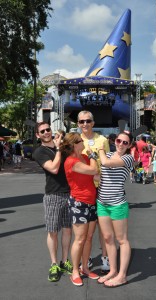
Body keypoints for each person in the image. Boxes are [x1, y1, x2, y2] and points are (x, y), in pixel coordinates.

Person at [32, 122, 72, 282]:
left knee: (68, 230)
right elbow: (54, 169)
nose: (47, 132)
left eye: (48, 129)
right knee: (53, 231)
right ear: (38, 135)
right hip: (53, 195)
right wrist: (57, 149)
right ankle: (54, 263)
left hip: (69, 193)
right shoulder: (39, 152)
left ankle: (64, 261)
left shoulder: (61, 148)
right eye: (43, 131)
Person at [60, 132, 99, 286]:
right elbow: (93, 171)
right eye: (81, 140)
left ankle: (85, 268)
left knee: (89, 237)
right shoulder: (71, 161)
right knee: (80, 238)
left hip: (91, 201)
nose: (84, 142)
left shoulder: (84, 158)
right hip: (79, 203)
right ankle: (75, 271)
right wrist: (93, 156)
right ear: (75, 144)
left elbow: (95, 176)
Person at [96, 131, 134, 287]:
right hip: (102, 203)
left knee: (122, 240)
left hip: (117, 204)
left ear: (129, 145)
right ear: (115, 141)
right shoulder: (109, 155)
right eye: (119, 140)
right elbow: (101, 174)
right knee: (107, 239)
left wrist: (99, 149)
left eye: (125, 142)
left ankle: (122, 275)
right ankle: (113, 270)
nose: (121, 144)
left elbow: (106, 163)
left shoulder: (128, 158)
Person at [77, 110, 110, 273]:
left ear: (93, 123)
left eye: (88, 121)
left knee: (104, 229)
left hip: (102, 188)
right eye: (82, 121)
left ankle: (105, 258)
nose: (85, 124)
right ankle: (86, 257)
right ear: (78, 124)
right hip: (83, 191)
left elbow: (107, 163)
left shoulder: (102, 140)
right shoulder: (75, 141)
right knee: (86, 231)